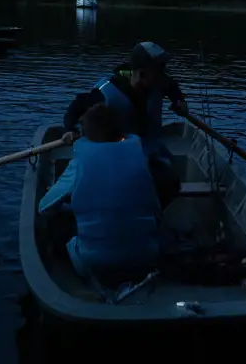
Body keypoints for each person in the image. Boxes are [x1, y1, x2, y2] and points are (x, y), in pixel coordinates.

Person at [40, 104, 162, 284]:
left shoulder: (80, 161)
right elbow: (156, 208)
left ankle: (64, 275)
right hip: (146, 258)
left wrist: (71, 207)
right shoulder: (139, 154)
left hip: (95, 263)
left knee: (56, 223)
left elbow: (44, 207)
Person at [60, 42, 188, 207]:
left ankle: (150, 212)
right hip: (113, 157)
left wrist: (179, 100)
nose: (164, 74)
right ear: (141, 73)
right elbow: (77, 106)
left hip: (147, 151)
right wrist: (69, 130)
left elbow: (171, 86)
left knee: (170, 183)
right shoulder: (106, 92)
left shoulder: (157, 82)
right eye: (159, 69)